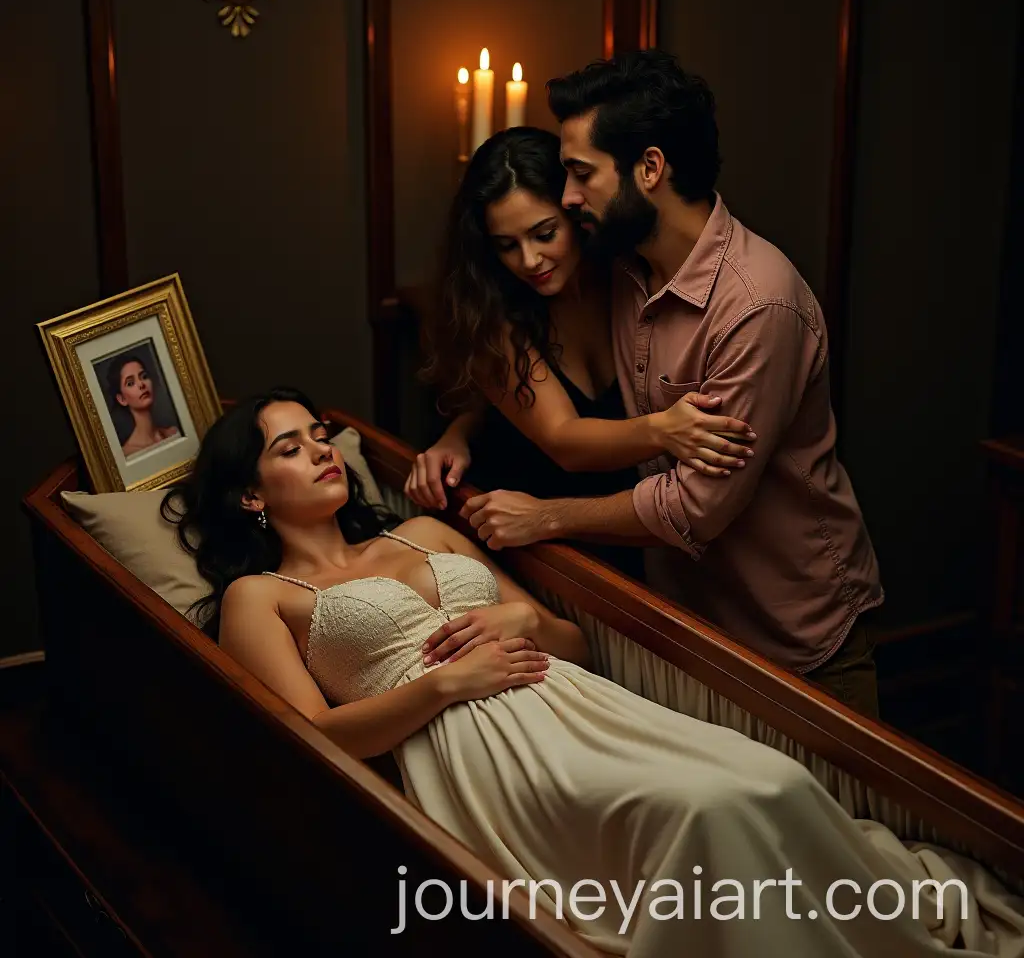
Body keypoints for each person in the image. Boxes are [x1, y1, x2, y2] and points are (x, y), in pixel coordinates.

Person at [160, 387, 1022, 957]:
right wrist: (442, 685)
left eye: (321, 435)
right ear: (250, 495)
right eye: (290, 447)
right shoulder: (259, 597)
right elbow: (310, 737)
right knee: (706, 811)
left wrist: (522, 618)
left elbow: (569, 641)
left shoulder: (422, 533)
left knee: (772, 778)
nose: (321, 451)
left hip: (570, 698)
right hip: (477, 754)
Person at [455, 50, 885, 719]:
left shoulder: (757, 305)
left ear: (650, 168)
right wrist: (460, 429)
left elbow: (696, 509)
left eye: (581, 174)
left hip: (792, 637)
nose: (568, 198)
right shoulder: (621, 266)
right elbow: (528, 373)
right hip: (685, 627)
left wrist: (545, 516)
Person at [407, 126, 756, 582]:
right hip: (527, 547)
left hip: (624, 544)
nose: (529, 259)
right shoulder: (491, 313)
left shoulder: (627, 280)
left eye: (544, 233)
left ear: (575, 214)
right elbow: (564, 440)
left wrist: (462, 428)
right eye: (507, 245)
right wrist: (663, 429)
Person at [107, 354, 181, 458]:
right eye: (130, 383)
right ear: (122, 399)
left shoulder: (174, 433)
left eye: (144, 377)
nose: (141, 384)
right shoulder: (128, 455)